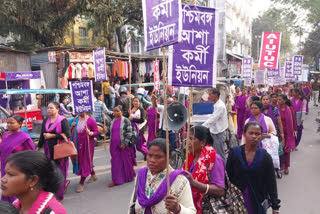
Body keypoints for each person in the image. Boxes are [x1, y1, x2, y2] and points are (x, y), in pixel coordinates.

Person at [128, 138, 196, 214]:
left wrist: (178, 209)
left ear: (169, 158)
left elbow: (192, 211)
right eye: (149, 155)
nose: (152, 160)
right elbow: (132, 203)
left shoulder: (179, 180)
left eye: (158, 157)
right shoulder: (142, 174)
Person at [226, 122, 280, 214]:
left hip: (257, 201)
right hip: (236, 201)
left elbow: (271, 182)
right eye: (250, 133)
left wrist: (275, 207)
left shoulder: (265, 156)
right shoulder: (234, 153)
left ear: (261, 136)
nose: (254, 136)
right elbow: (227, 177)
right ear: (244, 134)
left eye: (257, 134)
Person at [2, 151, 67, 213]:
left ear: (33, 180)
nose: (3, 179)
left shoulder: (53, 211)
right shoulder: (15, 207)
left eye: (10, 174)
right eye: (5, 173)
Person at [183, 126, 225, 214]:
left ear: (203, 142)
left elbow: (220, 190)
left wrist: (194, 183)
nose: (188, 143)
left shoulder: (214, 159)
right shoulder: (190, 159)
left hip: (207, 208)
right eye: (187, 139)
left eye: (191, 139)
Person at [37, 102, 71, 201]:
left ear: (57, 109)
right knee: (51, 173)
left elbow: (67, 135)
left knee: (60, 173)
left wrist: (53, 136)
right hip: (48, 151)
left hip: (60, 151)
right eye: (48, 108)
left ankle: (59, 196)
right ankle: (57, 189)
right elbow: (42, 136)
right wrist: (38, 147)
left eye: (51, 108)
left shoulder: (62, 120)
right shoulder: (45, 121)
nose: (49, 110)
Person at [0, 115, 35, 203]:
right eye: (7, 123)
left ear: (20, 124)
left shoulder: (24, 137)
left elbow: (31, 153)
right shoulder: (5, 135)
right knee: (6, 187)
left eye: (12, 123)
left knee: (15, 188)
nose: (9, 125)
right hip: (5, 166)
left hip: (18, 167)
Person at [69, 112, 99, 193]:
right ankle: (93, 175)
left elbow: (96, 131)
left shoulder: (90, 120)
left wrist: (90, 133)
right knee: (83, 161)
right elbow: (68, 130)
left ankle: (81, 183)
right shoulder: (75, 119)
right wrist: (72, 127)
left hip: (88, 145)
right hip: (77, 144)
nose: (79, 112)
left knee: (85, 163)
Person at [108, 105, 136, 187]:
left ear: (121, 112)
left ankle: (128, 177)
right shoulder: (112, 121)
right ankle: (117, 179)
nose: (116, 113)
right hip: (113, 145)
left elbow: (129, 132)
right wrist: (105, 130)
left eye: (117, 111)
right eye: (114, 111)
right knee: (115, 162)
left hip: (123, 144)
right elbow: (109, 133)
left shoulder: (126, 120)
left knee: (125, 161)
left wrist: (124, 143)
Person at [261, 95, 284, 178]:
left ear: (269, 100)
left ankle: (277, 170)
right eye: (263, 99)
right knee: (264, 154)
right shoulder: (259, 110)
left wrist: (282, 135)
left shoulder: (275, 109)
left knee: (275, 154)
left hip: (273, 135)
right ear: (261, 101)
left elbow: (279, 122)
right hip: (262, 137)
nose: (265, 101)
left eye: (267, 99)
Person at [202, 88, 228, 162]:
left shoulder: (220, 106)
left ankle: (223, 170)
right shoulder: (216, 104)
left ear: (215, 95)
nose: (209, 96)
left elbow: (213, 119)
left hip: (219, 133)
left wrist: (202, 126)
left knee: (219, 154)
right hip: (215, 131)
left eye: (210, 95)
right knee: (215, 152)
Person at [277, 95, 296, 175]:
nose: (278, 101)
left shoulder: (290, 109)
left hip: (288, 132)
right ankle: (281, 165)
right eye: (278, 99)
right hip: (279, 131)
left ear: (284, 100)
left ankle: (286, 166)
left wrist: (295, 130)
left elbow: (293, 120)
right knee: (280, 149)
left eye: (280, 99)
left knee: (287, 150)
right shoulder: (276, 109)